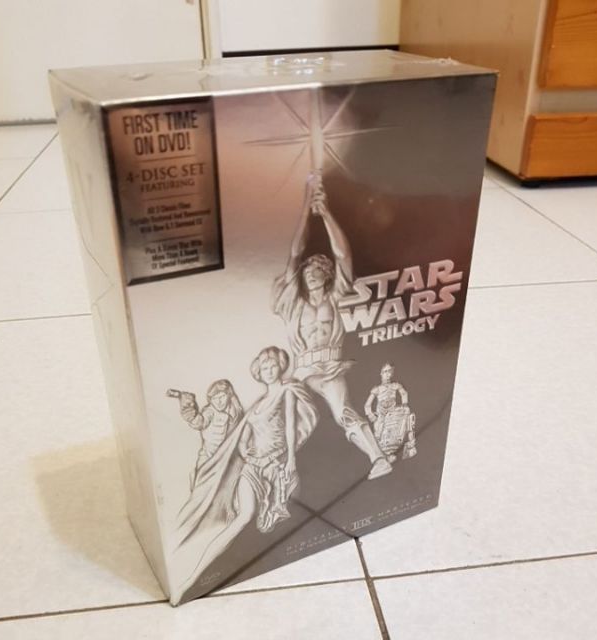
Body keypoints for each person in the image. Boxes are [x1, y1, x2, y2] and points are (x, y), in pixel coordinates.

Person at [272, 173, 393, 479]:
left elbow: (343, 254)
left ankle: (379, 458)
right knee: (282, 414)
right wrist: (306, 206)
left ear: (327, 275)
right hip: (301, 371)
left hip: (329, 367)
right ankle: (278, 472)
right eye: (307, 271)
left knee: (344, 412)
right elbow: (295, 253)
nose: (310, 273)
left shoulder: (336, 296)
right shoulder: (292, 302)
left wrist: (325, 212)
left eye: (317, 270)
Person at [173, 346, 317, 600]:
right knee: (242, 517)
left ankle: (207, 574)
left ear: (281, 366)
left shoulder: (287, 392)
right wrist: (246, 453)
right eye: (264, 367)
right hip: (253, 467)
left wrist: (290, 461)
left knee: (272, 517)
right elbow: (242, 439)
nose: (269, 370)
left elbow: (291, 428)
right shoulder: (256, 405)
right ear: (258, 372)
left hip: (276, 466)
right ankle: (191, 578)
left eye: (273, 365)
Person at [177, 379, 243, 487]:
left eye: (222, 397)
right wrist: (190, 413)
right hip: (209, 455)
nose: (219, 402)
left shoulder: (235, 410)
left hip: (229, 455)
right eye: (215, 399)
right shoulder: (210, 411)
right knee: (201, 482)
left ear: (229, 395)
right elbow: (200, 422)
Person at [365, 363, 417, 459]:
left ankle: (411, 445)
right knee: (379, 433)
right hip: (381, 414)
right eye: (385, 371)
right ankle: (384, 455)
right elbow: (367, 405)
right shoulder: (377, 389)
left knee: (409, 416)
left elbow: (404, 393)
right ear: (381, 373)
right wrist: (370, 415)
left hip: (392, 412)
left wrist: (404, 404)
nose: (388, 374)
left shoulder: (395, 385)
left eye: (389, 371)